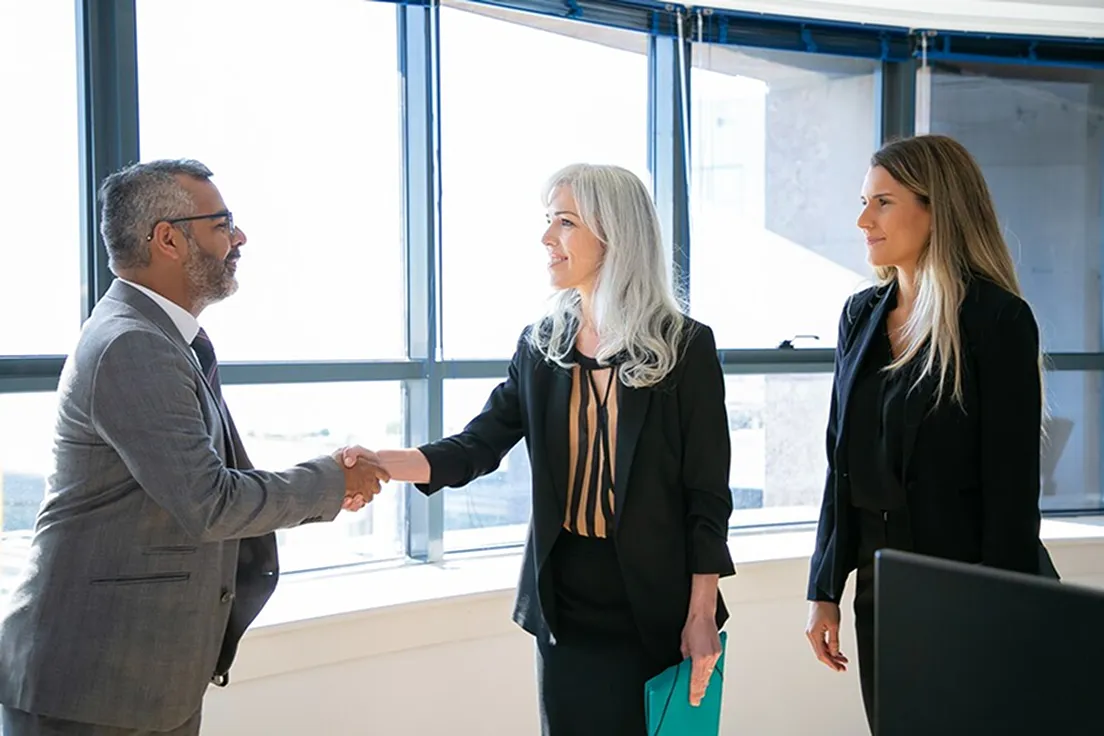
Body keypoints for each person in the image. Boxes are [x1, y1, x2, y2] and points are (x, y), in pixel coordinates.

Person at [0, 159, 388, 736]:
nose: (239, 238)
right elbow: (209, 501)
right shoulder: (132, 344)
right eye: (222, 223)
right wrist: (333, 480)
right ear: (168, 240)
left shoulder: (161, 337)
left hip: (140, 681)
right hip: (92, 686)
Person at [348, 163, 735, 735]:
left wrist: (702, 611)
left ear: (614, 234)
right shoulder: (541, 346)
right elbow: (477, 445)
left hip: (657, 605)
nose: (547, 238)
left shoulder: (684, 347)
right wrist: (385, 461)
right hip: (567, 604)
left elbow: (706, 493)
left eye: (565, 222)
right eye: (548, 221)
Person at [804, 134, 1058, 731]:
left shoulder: (996, 320)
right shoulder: (859, 315)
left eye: (883, 203)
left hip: (969, 594)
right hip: (881, 589)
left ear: (935, 207)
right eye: (864, 202)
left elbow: (1012, 495)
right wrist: (825, 587)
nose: (863, 219)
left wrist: (1002, 616)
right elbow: (840, 463)